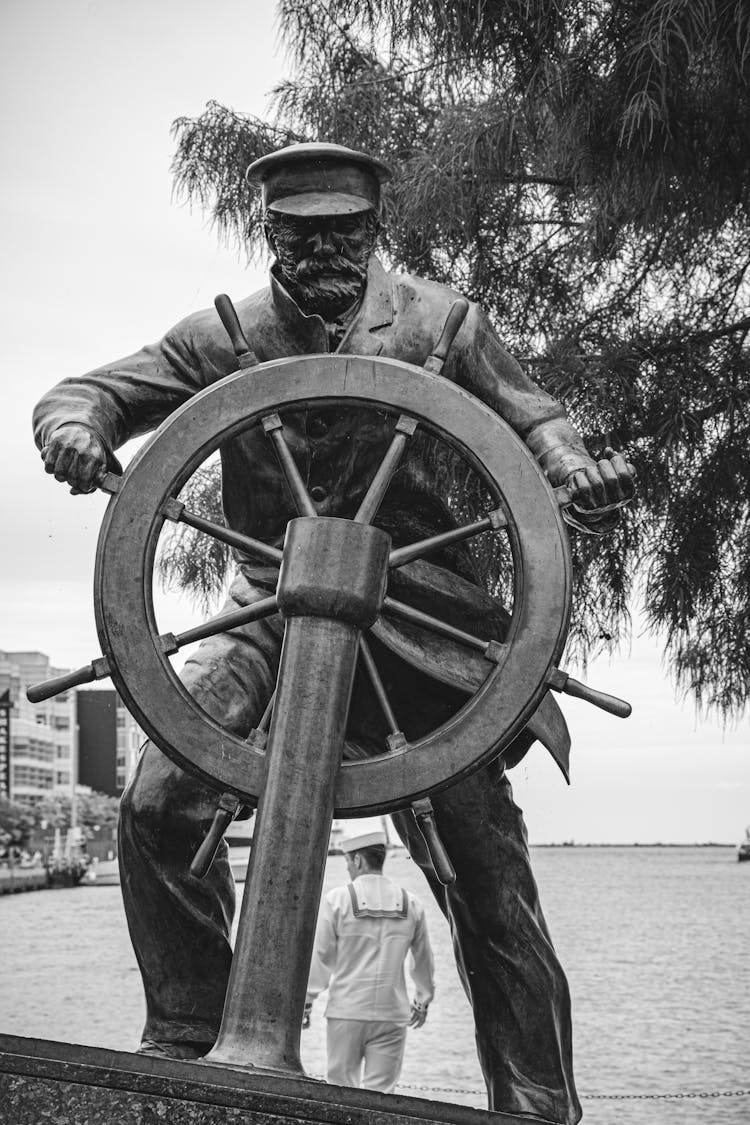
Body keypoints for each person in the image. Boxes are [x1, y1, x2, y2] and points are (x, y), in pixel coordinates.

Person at [33, 141, 635, 1125]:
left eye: (344, 233)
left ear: (373, 229)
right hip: (269, 614)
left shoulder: (445, 327)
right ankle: (189, 1042)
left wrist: (576, 471)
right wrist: (74, 426)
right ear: (270, 231)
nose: (324, 251)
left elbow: (541, 428)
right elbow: (87, 392)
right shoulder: (226, 336)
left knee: (490, 887)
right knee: (157, 803)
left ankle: (537, 1107)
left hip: (420, 630)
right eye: (303, 233)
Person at [305, 821, 434, 1094]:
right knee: (381, 1095)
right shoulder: (411, 904)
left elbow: (322, 956)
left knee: (340, 1092)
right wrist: (422, 999)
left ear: (359, 860)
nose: (349, 869)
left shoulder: (337, 900)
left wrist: (307, 1002)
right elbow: (422, 959)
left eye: (349, 863)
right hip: (392, 1013)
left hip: (347, 1011)